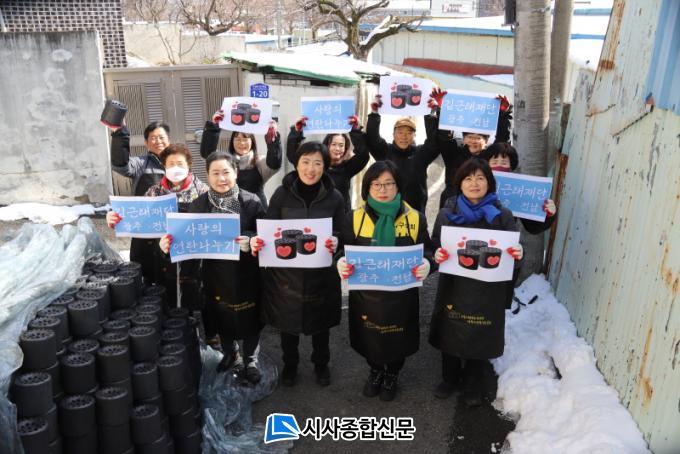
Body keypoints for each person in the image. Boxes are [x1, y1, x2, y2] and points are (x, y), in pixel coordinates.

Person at [160, 151, 265, 383]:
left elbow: (264, 233)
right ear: (207, 176)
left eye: (226, 172)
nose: (221, 178)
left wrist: (251, 238)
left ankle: (251, 360)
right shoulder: (199, 205)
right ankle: (231, 354)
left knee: (250, 316)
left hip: (247, 271)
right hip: (213, 273)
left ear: (236, 173)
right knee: (221, 315)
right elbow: (187, 239)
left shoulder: (251, 201)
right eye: (215, 173)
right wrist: (169, 246)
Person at [250, 141, 345, 387]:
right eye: (306, 162)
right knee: (288, 324)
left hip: (321, 274)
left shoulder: (335, 197)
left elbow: (343, 232)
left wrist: (337, 241)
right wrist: (259, 241)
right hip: (286, 274)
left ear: (325, 166)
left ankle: (321, 364)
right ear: (297, 163)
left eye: (317, 163)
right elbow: (269, 228)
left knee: (321, 325)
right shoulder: (281, 194)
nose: (311, 169)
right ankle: (290, 364)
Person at [428, 158, 523, 406]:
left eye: (480, 178)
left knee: (480, 333)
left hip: (488, 288)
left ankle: (472, 382)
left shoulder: (502, 216)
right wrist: (437, 254)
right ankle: (449, 378)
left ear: (489, 183)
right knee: (451, 329)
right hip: (454, 286)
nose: (474, 183)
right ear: (459, 183)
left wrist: (517, 254)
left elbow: (512, 255)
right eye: (468, 178)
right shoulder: (448, 214)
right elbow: (435, 245)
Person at [336, 161, 433, 401]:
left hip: (402, 296)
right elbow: (342, 251)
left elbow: (429, 252)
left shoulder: (415, 218)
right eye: (376, 184)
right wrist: (340, 262)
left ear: (398, 187)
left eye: (389, 184)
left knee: (397, 336)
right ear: (367, 187)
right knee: (370, 336)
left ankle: (393, 374)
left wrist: (428, 264)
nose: (383, 189)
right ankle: (376, 370)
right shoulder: (354, 218)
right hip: (366, 296)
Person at [108, 144, 208, 309]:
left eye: (180, 163)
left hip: (194, 255)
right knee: (167, 292)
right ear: (164, 166)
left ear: (189, 165)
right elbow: (138, 217)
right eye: (171, 164)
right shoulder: (154, 192)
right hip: (163, 253)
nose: (175, 168)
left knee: (192, 293)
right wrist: (115, 217)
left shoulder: (202, 191)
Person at [481, 141, 557, 309]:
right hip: (475, 247)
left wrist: (547, 214)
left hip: (504, 254)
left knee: (496, 303)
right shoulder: (475, 184)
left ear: (511, 166)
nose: (499, 165)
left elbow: (533, 227)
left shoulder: (517, 190)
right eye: (494, 161)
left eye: (504, 162)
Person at [107, 121, 170, 283]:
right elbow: (120, 165)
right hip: (144, 230)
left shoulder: (176, 163)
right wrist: (120, 133)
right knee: (145, 273)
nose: (158, 141)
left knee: (170, 274)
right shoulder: (141, 163)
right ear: (146, 143)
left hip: (169, 230)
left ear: (168, 140)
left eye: (161, 137)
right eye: (153, 138)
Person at [365, 91, 442, 212]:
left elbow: (433, 144)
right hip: (387, 211)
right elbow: (373, 140)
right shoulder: (385, 151)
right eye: (400, 132)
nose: (404, 137)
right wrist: (374, 113)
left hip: (415, 213)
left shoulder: (420, 154)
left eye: (409, 133)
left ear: (414, 136)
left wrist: (430, 114)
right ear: (393, 134)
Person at [436, 95, 513, 209]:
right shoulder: (454, 153)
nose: (473, 141)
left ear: (486, 141)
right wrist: (443, 110)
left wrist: (504, 114)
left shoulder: (491, 157)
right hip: (452, 206)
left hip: (482, 205)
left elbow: (503, 139)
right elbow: (444, 138)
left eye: (478, 138)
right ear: (463, 139)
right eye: (469, 137)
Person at [199, 110, 282, 209]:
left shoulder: (260, 162)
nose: (241, 143)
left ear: (252, 141)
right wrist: (214, 127)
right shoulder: (224, 161)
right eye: (237, 139)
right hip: (229, 210)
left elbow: (274, 163)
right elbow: (208, 154)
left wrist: (272, 139)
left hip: (257, 210)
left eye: (245, 139)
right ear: (232, 142)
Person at [287, 115, 369, 211]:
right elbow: (293, 156)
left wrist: (355, 131)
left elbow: (363, 156)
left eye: (341, 145)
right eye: (334, 144)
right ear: (326, 145)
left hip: (341, 216)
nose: (337, 149)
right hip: (317, 214)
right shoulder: (316, 165)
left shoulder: (347, 168)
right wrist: (296, 131)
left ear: (345, 148)